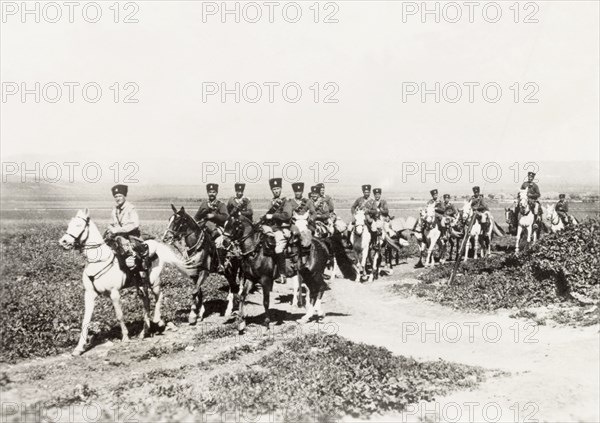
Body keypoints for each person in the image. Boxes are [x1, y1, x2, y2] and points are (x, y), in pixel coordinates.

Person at [106, 184, 149, 287]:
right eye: (116, 197)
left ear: (124, 196)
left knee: (131, 255)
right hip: (117, 236)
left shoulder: (130, 208)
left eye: (120, 196)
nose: (118, 199)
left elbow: (135, 224)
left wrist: (119, 230)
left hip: (131, 236)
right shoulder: (114, 210)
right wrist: (111, 229)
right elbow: (110, 223)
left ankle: (138, 278)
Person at [262, 178, 293, 284]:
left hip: (281, 228)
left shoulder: (286, 201)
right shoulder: (271, 202)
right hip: (271, 228)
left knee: (278, 248)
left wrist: (273, 215)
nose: (276, 191)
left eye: (277, 188)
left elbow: (287, 215)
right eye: (274, 189)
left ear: (281, 189)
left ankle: (282, 274)